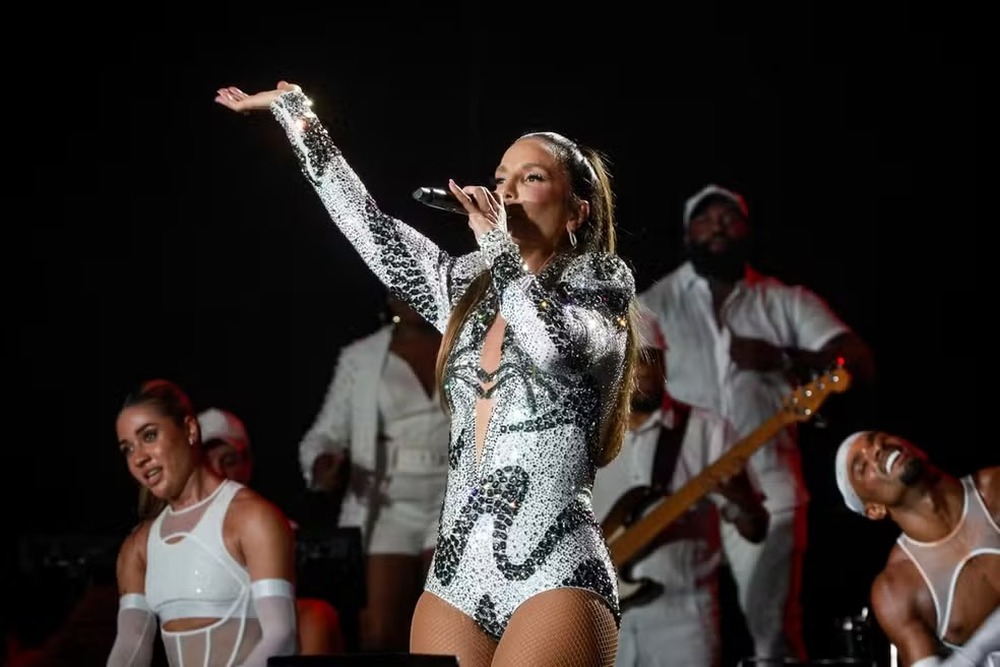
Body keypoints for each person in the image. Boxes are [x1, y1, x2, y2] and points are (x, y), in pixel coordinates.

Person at [214, 80, 639, 667]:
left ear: (577, 210)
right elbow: (371, 228)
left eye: (531, 178)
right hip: (456, 576)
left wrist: (496, 246)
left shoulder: (600, 285)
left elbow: (549, 348)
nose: (507, 191)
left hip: (556, 568)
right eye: (500, 179)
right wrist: (299, 119)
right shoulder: (462, 287)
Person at [638, 183, 876, 661]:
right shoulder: (654, 302)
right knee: (666, 620)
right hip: (678, 488)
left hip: (769, 483)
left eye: (729, 217)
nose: (718, 226)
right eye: (705, 219)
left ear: (748, 230)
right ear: (686, 234)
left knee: (773, 635)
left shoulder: (784, 301)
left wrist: (784, 357)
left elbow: (858, 362)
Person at [591, 311, 769, 667]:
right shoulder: (589, 436)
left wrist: (742, 498)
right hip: (601, 620)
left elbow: (755, 529)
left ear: (665, 360)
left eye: (650, 358)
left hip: (685, 617)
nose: (641, 370)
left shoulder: (708, 431)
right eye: (630, 360)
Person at [107, 379, 298, 666]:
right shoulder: (138, 546)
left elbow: (282, 636)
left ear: (190, 430)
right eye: (127, 449)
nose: (139, 458)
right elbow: (129, 647)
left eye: (148, 436)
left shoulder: (252, 518)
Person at [297, 293, 450, 652]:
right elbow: (325, 433)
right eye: (400, 289)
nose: (410, 297)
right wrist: (323, 461)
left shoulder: (467, 344)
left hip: (452, 499)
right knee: (381, 632)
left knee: (447, 628)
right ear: (388, 297)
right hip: (386, 504)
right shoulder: (361, 358)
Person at [835, 430, 999, 667]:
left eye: (876, 438)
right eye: (862, 466)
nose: (876, 449)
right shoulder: (896, 589)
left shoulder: (995, 490)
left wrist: (971, 654)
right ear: (875, 510)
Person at [198, 407, 346, 656]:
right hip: (208, 637)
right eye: (206, 463)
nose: (219, 473)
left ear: (248, 464)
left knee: (318, 617)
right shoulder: (176, 531)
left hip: (265, 634)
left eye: (228, 461)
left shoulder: (278, 528)